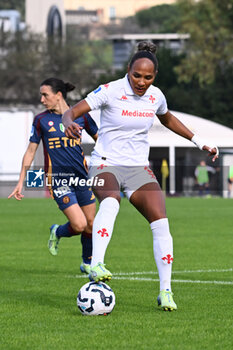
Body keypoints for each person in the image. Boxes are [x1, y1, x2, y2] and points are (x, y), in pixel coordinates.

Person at [62, 42, 219, 311]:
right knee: (111, 202)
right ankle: (96, 263)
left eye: (148, 77)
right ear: (128, 70)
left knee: (161, 224)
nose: (141, 82)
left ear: (154, 76)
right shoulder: (110, 90)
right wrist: (68, 123)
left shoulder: (156, 96)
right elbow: (71, 112)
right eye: (137, 75)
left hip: (137, 169)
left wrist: (199, 141)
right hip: (105, 164)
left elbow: (167, 119)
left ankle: (165, 291)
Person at [8, 78, 98, 274]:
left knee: (91, 224)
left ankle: (87, 262)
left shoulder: (81, 116)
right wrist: (21, 181)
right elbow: (31, 151)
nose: (42, 99)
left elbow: (100, 140)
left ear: (58, 95)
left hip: (81, 178)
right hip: (58, 180)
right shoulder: (41, 120)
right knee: (80, 224)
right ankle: (57, 231)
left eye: (45, 95)